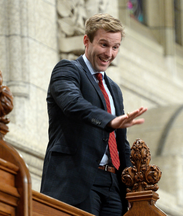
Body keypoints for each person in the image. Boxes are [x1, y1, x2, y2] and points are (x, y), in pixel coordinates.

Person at [40, 13, 147, 216]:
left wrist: (133, 186)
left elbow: (120, 142)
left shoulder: (113, 89)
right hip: (77, 180)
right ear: (86, 41)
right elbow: (73, 104)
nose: (109, 53)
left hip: (113, 185)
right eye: (104, 45)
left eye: (115, 47)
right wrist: (109, 120)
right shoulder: (68, 70)